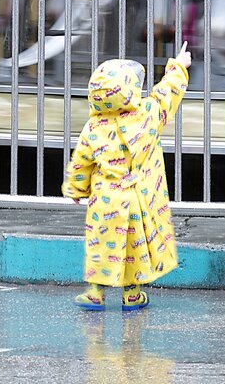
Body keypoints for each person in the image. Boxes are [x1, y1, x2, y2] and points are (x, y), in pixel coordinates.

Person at [62, 47, 192, 311]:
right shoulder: (147, 115)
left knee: (101, 244)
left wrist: (75, 189)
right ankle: (132, 294)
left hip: (104, 200)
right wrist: (178, 65)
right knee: (134, 245)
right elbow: (167, 94)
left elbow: (81, 162)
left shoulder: (93, 126)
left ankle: (96, 294)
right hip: (137, 198)